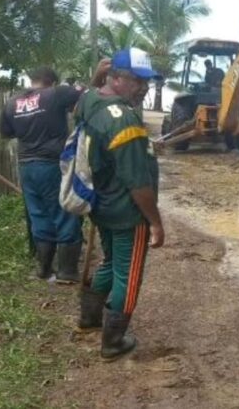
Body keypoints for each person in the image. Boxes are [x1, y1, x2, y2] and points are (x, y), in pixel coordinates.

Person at [74, 48, 165, 361]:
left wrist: (96, 78)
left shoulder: (91, 100)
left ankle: (89, 318)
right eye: (136, 81)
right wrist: (154, 221)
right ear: (115, 78)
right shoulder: (124, 121)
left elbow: (81, 103)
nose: (142, 88)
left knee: (112, 263)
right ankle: (113, 341)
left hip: (102, 204)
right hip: (127, 211)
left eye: (145, 82)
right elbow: (138, 183)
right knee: (129, 273)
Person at [0, 66, 103, 283]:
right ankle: (66, 271)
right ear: (52, 81)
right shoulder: (57, 93)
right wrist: (97, 76)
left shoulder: (12, 102)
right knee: (65, 212)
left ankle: (44, 269)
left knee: (38, 214)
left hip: (26, 166)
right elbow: (88, 97)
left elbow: (5, 133)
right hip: (52, 165)